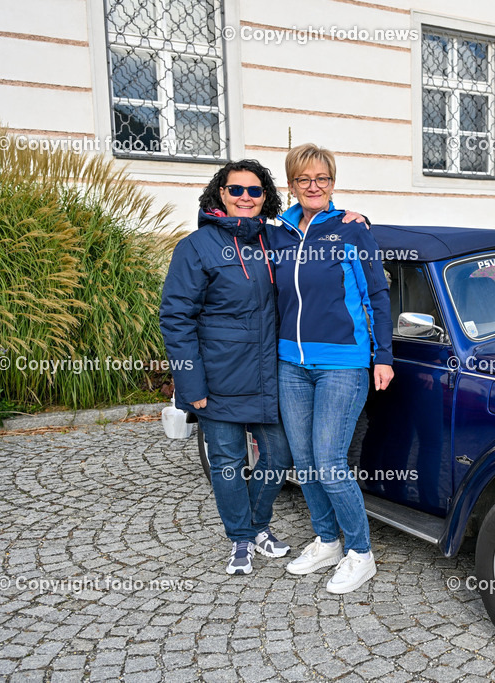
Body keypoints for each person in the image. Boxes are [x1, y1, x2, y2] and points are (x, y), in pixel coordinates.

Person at [160, 160, 296, 575]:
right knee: (226, 461)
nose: (245, 197)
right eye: (236, 189)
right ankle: (241, 538)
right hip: (218, 378)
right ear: (221, 193)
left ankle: (256, 526)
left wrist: (351, 220)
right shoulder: (196, 247)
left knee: (279, 456)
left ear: (265, 197)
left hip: (268, 375)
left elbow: (313, 230)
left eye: (254, 191)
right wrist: (191, 384)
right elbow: (176, 319)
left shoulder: (275, 240)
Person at [269, 143, 394, 594]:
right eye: (304, 179)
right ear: (291, 185)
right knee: (303, 462)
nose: (313, 186)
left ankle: (360, 551)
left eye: (321, 178)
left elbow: (376, 294)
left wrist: (383, 356)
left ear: (332, 182)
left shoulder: (351, 229)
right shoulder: (278, 234)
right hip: (291, 362)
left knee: (328, 461)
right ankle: (327, 540)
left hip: (343, 361)